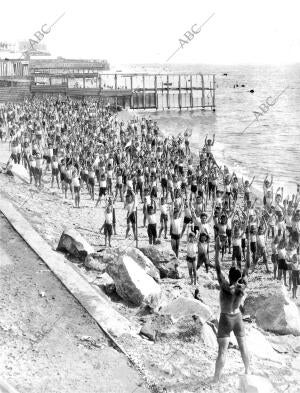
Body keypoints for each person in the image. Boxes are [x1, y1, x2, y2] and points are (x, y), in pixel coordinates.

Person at [213, 236, 250, 382]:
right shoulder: (243, 285)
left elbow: (217, 265)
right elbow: (247, 265)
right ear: (240, 276)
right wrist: (245, 248)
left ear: (228, 275)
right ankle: (248, 370)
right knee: (243, 346)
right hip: (238, 317)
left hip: (225, 318)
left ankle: (216, 377)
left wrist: (217, 249)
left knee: (222, 351)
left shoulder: (225, 286)